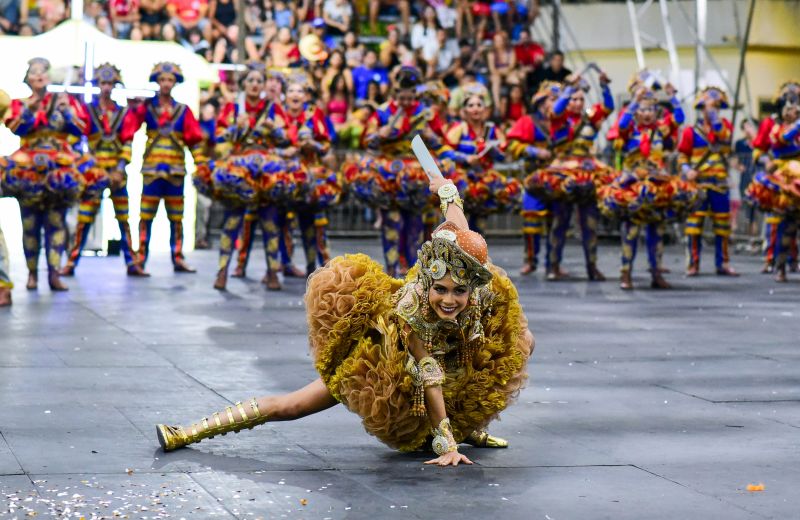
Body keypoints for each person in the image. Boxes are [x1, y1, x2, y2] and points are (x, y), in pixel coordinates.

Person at [156, 172, 534, 467]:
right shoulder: (414, 309)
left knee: (517, 345)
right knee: (294, 405)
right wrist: (448, 446)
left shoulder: (480, 289)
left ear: (471, 288)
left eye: (458, 292)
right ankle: (187, 432)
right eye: (441, 290)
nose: (449, 300)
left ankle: (466, 426)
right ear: (428, 282)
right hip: (380, 362)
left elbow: (458, 221)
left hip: (448, 348)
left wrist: (446, 189)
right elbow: (429, 374)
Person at [2, 58, 91, 292]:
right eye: (34, 72)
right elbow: (16, 128)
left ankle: (54, 273)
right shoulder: (20, 104)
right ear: (27, 78)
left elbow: (81, 129)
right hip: (28, 167)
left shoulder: (64, 101)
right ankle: (32, 274)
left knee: (56, 222)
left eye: (43, 71)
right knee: (29, 223)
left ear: (49, 77)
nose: (39, 75)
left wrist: (67, 112)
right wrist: (32, 109)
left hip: (59, 166)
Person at [599, 85, 697, 290]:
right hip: (633, 183)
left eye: (650, 109)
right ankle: (625, 273)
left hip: (657, 184)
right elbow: (624, 122)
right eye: (642, 110)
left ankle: (656, 273)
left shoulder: (660, 130)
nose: (646, 114)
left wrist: (672, 97)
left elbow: (678, 118)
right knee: (631, 231)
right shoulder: (628, 131)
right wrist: (634, 100)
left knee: (657, 230)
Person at [60, 64, 148, 277]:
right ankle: (71, 262)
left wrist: (119, 169)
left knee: (124, 218)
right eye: (103, 83)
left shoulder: (123, 112)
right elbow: (78, 137)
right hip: (94, 173)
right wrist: (87, 165)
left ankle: (131, 262)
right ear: (98, 85)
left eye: (110, 83)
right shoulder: (89, 110)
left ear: (115, 85)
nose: (106, 88)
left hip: (117, 173)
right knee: (84, 217)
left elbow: (128, 142)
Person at [204, 64, 287, 291]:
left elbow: (286, 138)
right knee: (231, 222)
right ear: (244, 84)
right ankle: (222, 271)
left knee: (270, 223)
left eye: (259, 81)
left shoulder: (272, 108)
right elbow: (218, 137)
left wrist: (274, 130)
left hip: (265, 172)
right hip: (239, 171)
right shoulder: (232, 107)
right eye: (250, 80)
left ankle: (272, 272)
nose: (255, 85)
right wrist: (234, 128)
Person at [525, 72, 614, 281]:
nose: (577, 102)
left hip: (588, 171)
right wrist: (569, 88)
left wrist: (604, 86)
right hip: (562, 172)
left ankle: (592, 266)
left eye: (581, 99)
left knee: (590, 223)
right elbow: (556, 108)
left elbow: (608, 107)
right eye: (574, 99)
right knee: (559, 222)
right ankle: (552, 265)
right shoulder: (558, 117)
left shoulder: (591, 117)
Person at [359, 66, 446, 277]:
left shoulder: (425, 114)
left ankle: (412, 271)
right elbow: (367, 140)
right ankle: (390, 270)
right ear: (395, 94)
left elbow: (441, 142)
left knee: (415, 224)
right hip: (389, 174)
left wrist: (428, 134)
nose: (406, 103)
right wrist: (381, 133)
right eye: (402, 98)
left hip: (417, 175)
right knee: (392, 222)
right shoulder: (383, 112)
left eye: (410, 98)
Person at [120, 62, 207, 273]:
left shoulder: (183, 110)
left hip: (176, 170)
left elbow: (194, 140)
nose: (166, 84)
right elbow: (129, 128)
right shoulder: (147, 107)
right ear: (157, 82)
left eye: (170, 80)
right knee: (145, 216)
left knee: (177, 217)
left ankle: (178, 257)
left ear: (175, 83)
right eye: (162, 80)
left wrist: (202, 166)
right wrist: (132, 108)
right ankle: (140, 258)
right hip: (151, 171)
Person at [274, 73, 340, 277]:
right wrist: (282, 152)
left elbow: (326, 144)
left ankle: (317, 264)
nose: (295, 94)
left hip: (311, 176)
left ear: (305, 96)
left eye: (299, 91)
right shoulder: (276, 115)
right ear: (285, 95)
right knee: (283, 220)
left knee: (312, 220)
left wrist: (314, 145)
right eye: (291, 90)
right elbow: (266, 145)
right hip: (284, 175)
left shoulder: (314, 115)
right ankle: (285, 263)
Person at [441, 83, 521, 235]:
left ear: (485, 109)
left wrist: (494, 150)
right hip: (463, 179)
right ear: (464, 110)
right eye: (471, 105)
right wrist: (465, 158)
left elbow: (504, 155)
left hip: (484, 180)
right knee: (457, 227)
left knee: (478, 231)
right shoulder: (459, 128)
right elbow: (444, 151)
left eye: (479, 105)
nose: (475, 108)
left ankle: (476, 254)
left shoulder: (492, 130)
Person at [680, 87, 738, 277]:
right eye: (707, 107)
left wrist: (714, 115)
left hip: (719, 182)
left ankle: (723, 263)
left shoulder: (725, 125)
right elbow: (682, 156)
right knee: (694, 225)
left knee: (722, 226)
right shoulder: (690, 131)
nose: (711, 110)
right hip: (698, 183)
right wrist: (687, 170)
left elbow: (723, 137)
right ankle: (693, 264)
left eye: (716, 107)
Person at [746, 89, 800, 282]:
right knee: (785, 224)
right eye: (788, 107)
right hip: (785, 178)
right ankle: (779, 265)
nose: (791, 111)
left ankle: (790, 262)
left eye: (794, 108)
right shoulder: (775, 126)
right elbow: (779, 141)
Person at [505, 81, 559, 275]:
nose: (555, 103)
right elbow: (510, 145)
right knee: (531, 220)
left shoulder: (564, 122)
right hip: (534, 179)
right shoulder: (528, 121)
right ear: (542, 102)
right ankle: (531, 260)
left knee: (557, 221)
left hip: (558, 178)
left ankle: (554, 264)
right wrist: (534, 151)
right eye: (552, 99)